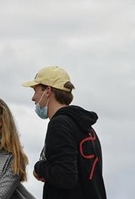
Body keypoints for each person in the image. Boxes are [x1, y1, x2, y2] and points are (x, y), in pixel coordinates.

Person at [21, 66, 106, 198]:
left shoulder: (59, 125)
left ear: (48, 91)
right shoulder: (85, 126)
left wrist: (40, 168)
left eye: (35, 90)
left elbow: (65, 176)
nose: (33, 98)